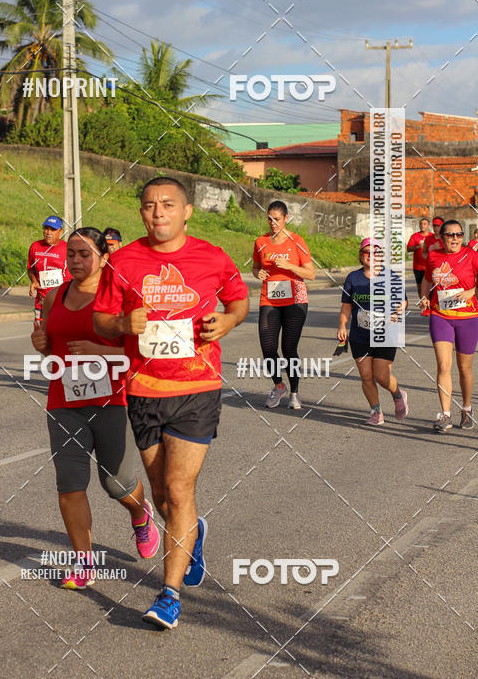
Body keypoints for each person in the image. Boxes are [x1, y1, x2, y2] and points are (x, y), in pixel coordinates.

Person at [93, 177, 249, 629]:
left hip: (196, 388)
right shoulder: (122, 261)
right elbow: (102, 321)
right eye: (148, 205)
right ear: (141, 214)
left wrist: (227, 322)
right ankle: (193, 535)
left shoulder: (212, 256)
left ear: (186, 212)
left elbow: (239, 302)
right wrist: (123, 320)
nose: (157, 212)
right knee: (161, 495)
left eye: (167, 204)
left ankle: (169, 595)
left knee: (180, 490)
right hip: (143, 391)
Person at [30, 227, 160, 589]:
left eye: (84, 254)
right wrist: (40, 344)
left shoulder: (119, 299)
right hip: (63, 402)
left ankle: (140, 514)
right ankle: (82, 561)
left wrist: (100, 350)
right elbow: (53, 347)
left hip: (111, 401)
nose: (75, 260)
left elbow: (143, 354)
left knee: (116, 484)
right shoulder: (54, 296)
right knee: (69, 484)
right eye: (71, 253)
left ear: (104, 257)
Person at [337, 238, 409, 426]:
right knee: (366, 376)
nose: (370, 256)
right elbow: (346, 306)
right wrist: (342, 326)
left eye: (374, 252)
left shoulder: (390, 276)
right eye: (366, 252)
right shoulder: (353, 278)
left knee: (382, 376)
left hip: (386, 334)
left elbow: (403, 301)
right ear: (361, 256)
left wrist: (396, 312)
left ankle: (398, 394)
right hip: (360, 335)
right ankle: (376, 411)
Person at [252, 200, 315, 410]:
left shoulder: (297, 241)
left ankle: (295, 393)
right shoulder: (261, 242)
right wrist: (258, 273)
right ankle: (279, 386)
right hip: (269, 298)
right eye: (269, 219)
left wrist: (289, 266)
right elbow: (255, 267)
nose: (272, 223)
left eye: (277, 219)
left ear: (286, 218)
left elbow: (311, 274)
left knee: (289, 348)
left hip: (295, 299)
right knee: (268, 347)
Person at [419, 220, 478, 432]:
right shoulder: (434, 256)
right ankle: (445, 415)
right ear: (441, 237)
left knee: (464, 368)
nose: (455, 238)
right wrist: (424, 296)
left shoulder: (472, 255)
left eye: (459, 234)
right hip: (440, 315)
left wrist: (472, 292)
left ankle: (466, 408)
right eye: (450, 235)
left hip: (468, 317)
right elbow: (427, 279)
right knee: (444, 366)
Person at [27, 216, 71, 322]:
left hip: (62, 300)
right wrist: (34, 281)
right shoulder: (35, 246)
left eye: (53, 229)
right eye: (46, 228)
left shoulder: (68, 249)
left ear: (60, 232)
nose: (48, 232)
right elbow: (30, 269)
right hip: (41, 301)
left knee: (60, 333)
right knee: (40, 334)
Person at [407, 217, 431, 297]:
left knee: (431, 287)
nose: (422, 225)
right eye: (421, 224)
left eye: (425, 224)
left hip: (430, 266)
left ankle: (430, 304)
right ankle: (422, 304)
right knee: (420, 287)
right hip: (418, 267)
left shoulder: (432, 236)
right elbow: (409, 248)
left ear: (428, 226)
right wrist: (418, 246)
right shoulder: (415, 236)